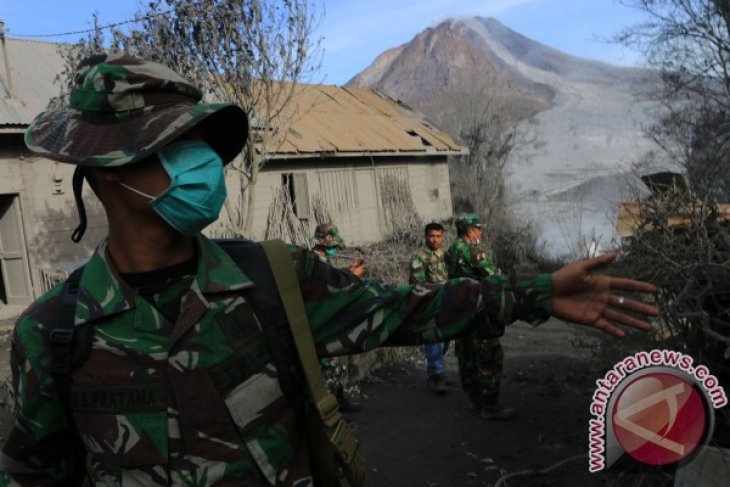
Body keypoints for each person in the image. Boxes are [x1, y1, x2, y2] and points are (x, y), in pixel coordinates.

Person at [0, 54, 659, 486]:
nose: (201, 161)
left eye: (199, 141)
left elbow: (406, 307)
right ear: (106, 170)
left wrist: (537, 291)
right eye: (172, 144)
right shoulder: (54, 336)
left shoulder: (272, 280)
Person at [446, 213, 512, 420]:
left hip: (460, 311)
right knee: (489, 358)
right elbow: (494, 277)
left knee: (466, 357)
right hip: (479, 312)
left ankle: (475, 401)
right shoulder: (474, 251)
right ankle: (490, 407)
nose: (481, 232)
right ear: (469, 231)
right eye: (478, 229)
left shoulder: (451, 251)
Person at [311, 222, 365, 412]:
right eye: (333, 246)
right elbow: (331, 288)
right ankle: (332, 411)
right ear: (323, 243)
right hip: (321, 322)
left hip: (329, 321)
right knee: (327, 368)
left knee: (335, 366)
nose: (335, 249)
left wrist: (347, 273)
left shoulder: (322, 260)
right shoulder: (315, 262)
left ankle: (340, 401)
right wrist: (352, 277)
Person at [409, 222, 450, 395]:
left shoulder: (445, 255)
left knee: (446, 340)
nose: (435, 239)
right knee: (434, 340)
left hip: (447, 304)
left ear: (443, 237)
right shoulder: (419, 257)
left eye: (438, 236)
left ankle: (434, 373)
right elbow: (418, 284)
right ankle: (437, 376)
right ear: (426, 237)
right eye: (431, 236)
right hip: (429, 306)